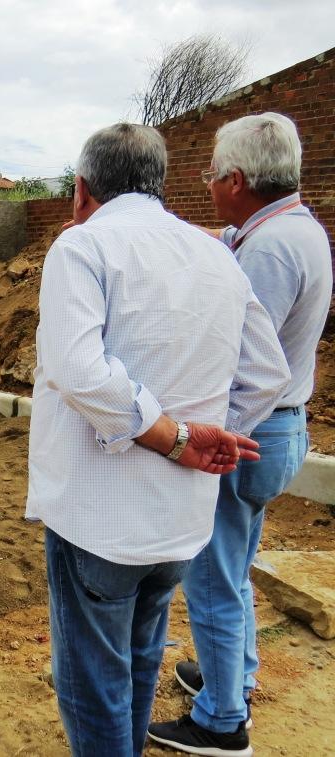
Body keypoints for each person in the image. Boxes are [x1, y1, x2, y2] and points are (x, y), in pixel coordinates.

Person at [27, 122, 290, 757]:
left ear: (81, 190)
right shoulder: (215, 255)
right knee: (142, 653)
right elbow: (267, 374)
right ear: (159, 184)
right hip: (182, 518)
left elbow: (79, 371)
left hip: (98, 518)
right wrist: (215, 437)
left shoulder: (82, 247)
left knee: (94, 683)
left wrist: (175, 438)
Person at [148, 113, 332, 756]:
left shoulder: (270, 253)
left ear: (236, 180)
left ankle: (222, 720)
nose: (207, 185)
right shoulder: (290, 229)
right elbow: (222, 239)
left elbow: (247, 361)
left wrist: (209, 439)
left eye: (211, 175)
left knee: (212, 581)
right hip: (280, 427)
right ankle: (235, 675)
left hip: (252, 431)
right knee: (235, 565)